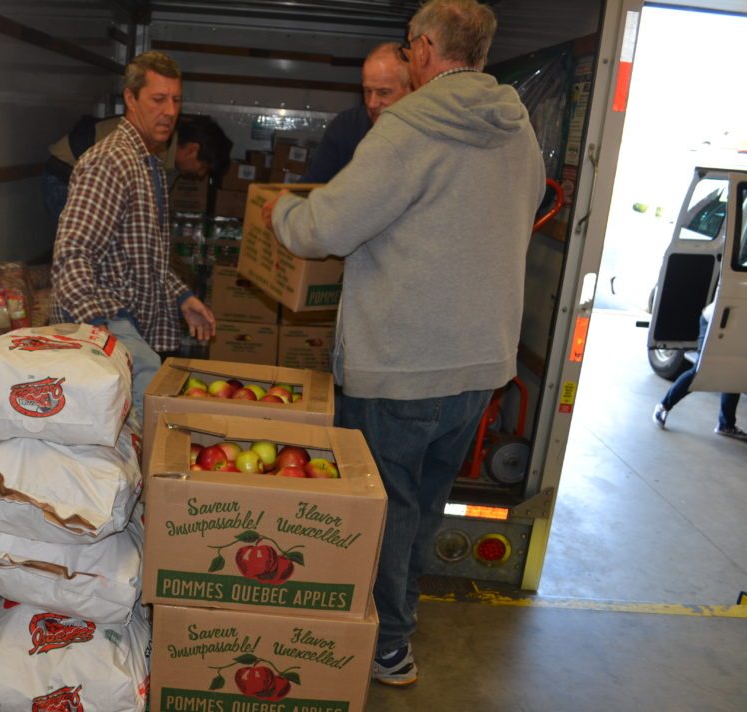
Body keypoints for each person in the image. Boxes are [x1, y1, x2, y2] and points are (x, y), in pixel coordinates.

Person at [262, 0, 545, 687]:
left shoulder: (408, 129)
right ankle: (399, 620)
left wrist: (280, 210)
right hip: (479, 365)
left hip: (401, 364)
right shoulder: (518, 131)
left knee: (385, 508)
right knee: (424, 502)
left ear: (422, 48)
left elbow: (324, 229)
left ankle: (386, 643)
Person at [51, 51, 216, 421]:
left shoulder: (146, 163)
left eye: (176, 100)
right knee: (149, 416)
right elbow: (71, 254)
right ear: (130, 98)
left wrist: (182, 297)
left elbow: (142, 256)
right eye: (158, 99)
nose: (170, 111)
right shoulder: (110, 162)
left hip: (126, 317)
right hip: (108, 317)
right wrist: (99, 331)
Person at [42, 113, 232, 224]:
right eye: (203, 167)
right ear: (192, 150)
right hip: (65, 177)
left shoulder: (169, 160)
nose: (200, 175)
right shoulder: (153, 144)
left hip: (84, 183)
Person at [300, 43, 412, 183]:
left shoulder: (423, 134)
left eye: (383, 92)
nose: (372, 103)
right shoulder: (346, 127)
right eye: (367, 91)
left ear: (410, 91)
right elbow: (310, 186)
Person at [652, 302, 746, 440]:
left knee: (733, 371)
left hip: (737, 326)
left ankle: (726, 425)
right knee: (700, 370)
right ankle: (663, 407)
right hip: (715, 320)